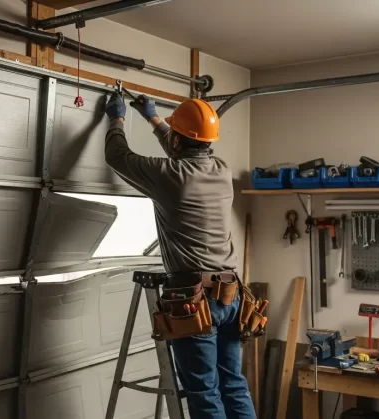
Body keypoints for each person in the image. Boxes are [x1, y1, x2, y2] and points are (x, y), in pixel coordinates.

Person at [103, 93, 256, 419]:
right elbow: (182, 153)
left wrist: (116, 119)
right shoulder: (220, 170)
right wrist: (155, 119)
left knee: (204, 393)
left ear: (176, 139)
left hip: (195, 298)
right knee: (233, 385)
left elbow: (117, 156)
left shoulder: (169, 176)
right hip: (232, 297)